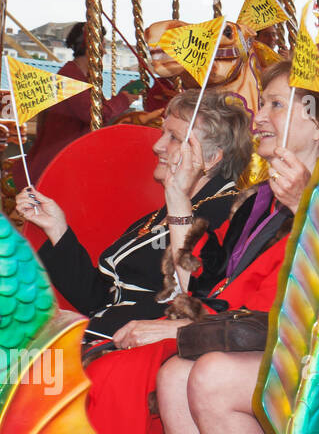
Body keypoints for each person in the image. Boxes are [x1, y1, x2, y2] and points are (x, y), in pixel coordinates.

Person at [154, 58, 319, 434]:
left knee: (212, 377)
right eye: (261, 103)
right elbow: (194, 293)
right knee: (173, 376)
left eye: (275, 105)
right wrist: (179, 199)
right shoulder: (255, 201)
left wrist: (307, 207)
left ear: (316, 121)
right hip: (266, 344)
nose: (259, 117)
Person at [16, 89, 251, 341]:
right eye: (163, 133)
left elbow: (199, 298)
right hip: (102, 334)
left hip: (138, 346)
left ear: (211, 158)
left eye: (174, 137)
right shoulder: (158, 215)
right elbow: (99, 298)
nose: (157, 145)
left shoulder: (228, 214)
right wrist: (57, 229)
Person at [14, 22, 141, 186]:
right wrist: (123, 99)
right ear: (91, 47)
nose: (103, 52)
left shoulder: (83, 78)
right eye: (101, 46)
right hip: (58, 158)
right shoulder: (70, 77)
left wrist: (123, 95)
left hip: (72, 153)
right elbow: (94, 115)